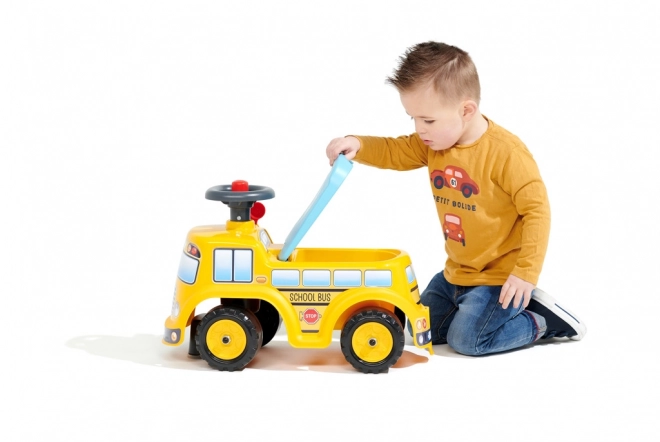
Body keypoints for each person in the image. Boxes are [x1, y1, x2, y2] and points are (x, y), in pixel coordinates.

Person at [325, 41, 586, 356]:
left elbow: (537, 212)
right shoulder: (433, 143)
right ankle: (471, 313)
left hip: (498, 279)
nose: (420, 130)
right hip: (455, 274)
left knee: (469, 342)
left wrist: (524, 273)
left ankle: (540, 320)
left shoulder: (507, 154)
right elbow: (395, 151)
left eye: (428, 120)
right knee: (417, 332)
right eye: (414, 120)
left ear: (466, 110)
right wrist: (358, 143)